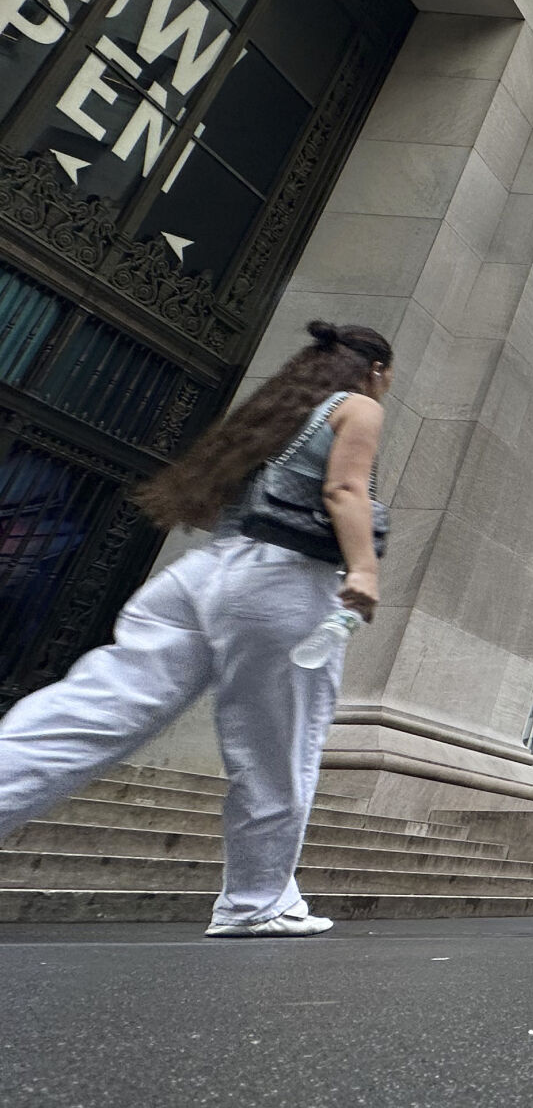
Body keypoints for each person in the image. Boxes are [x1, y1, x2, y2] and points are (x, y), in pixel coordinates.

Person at [0, 321, 393, 939]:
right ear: (375, 370)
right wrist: (364, 568)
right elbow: (345, 489)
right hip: (282, 582)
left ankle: (271, 893)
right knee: (276, 751)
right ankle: (254, 902)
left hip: (200, 575)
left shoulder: (278, 411)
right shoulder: (359, 406)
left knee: (93, 709)